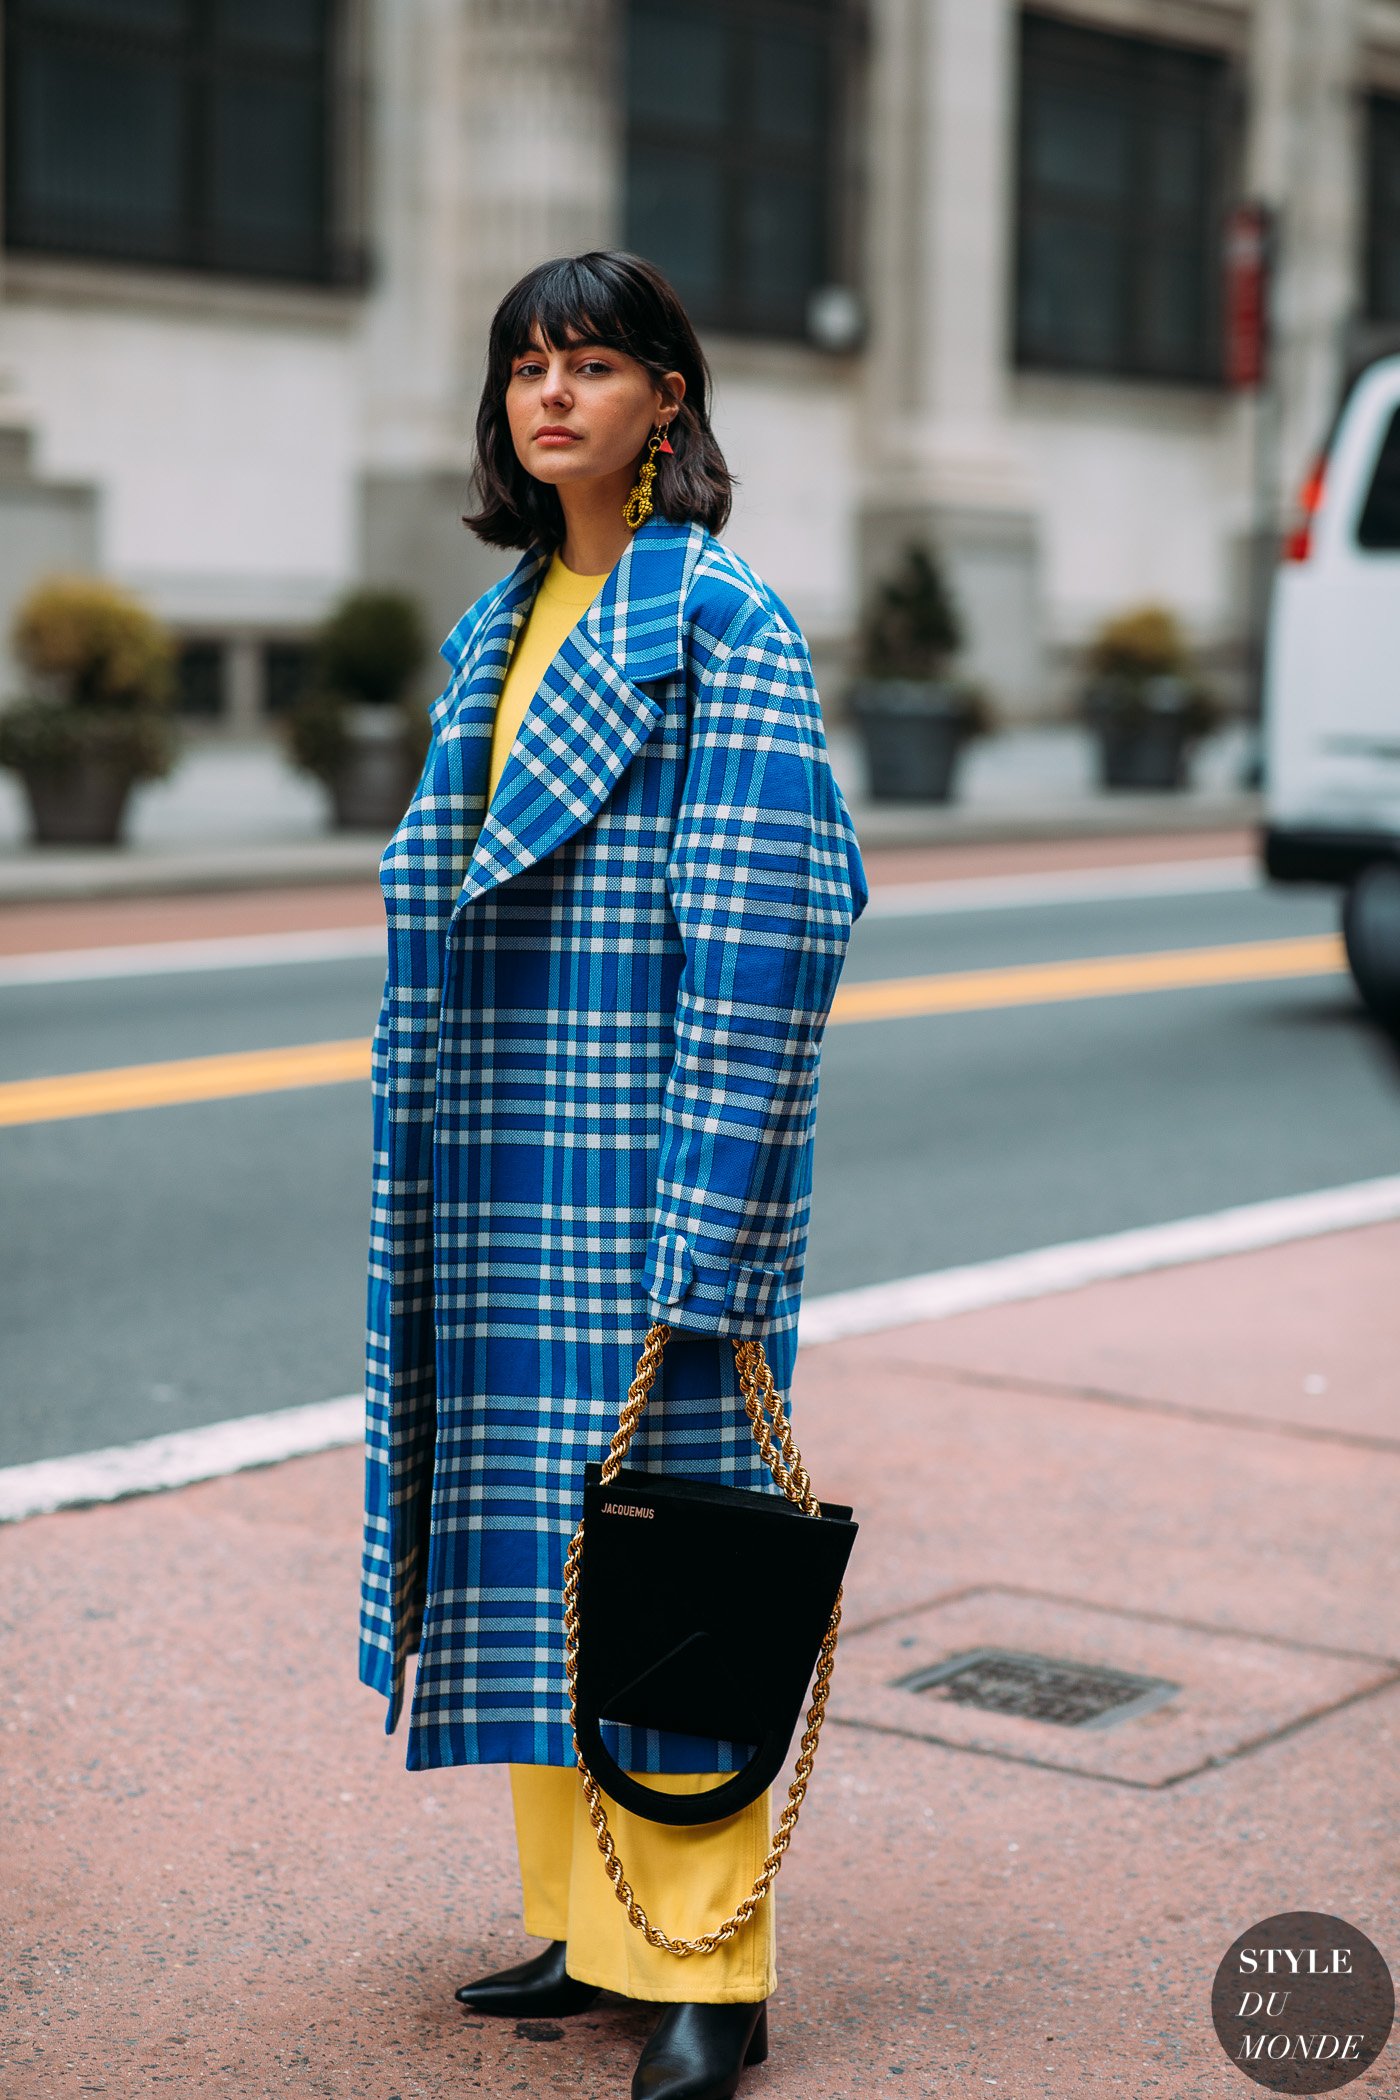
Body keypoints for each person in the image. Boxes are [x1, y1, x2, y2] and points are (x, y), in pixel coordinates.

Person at [359, 249, 866, 2100]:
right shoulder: (499, 625)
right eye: (526, 369)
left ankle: (713, 1976)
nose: (553, 395)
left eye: (594, 364)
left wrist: (708, 1233)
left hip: (643, 1169)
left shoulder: (722, 621)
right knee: (528, 1555)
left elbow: (768, 942)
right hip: (496, 1171)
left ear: (671, 398)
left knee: (674, 1573)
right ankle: (590, 1934)